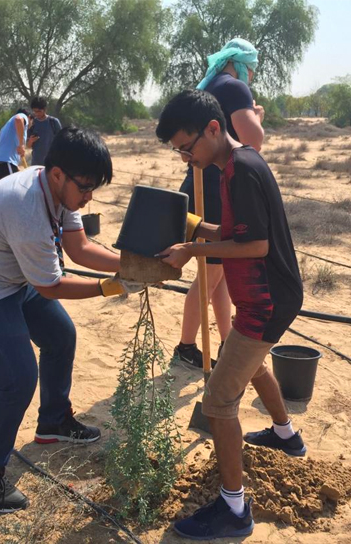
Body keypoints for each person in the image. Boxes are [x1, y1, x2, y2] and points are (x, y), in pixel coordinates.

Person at [0, 126, 143, 514]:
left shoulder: (61, 193)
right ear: (56, 174)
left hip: (13, 279)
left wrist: (135, 265)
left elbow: (79, 248)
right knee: (18, 378)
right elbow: (51, 285)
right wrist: (112, 287)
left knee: (60, 335)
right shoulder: (25, 205)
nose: (87, 197)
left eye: (92, 189)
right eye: (84, 188)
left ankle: (53, 421)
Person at [156, 90, 305, 540]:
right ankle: (286, 436)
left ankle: (234, 510)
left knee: (219, 402)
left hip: (266, 301)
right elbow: (237, 232)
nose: (184, 157)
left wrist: (191, 249)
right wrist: (191, 225)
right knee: (251, 363)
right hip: (264, 297)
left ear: (214, 129)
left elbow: (255, 245)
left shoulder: (240, 171)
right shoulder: (233, 165)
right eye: (178, 150)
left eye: (187, 146)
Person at [174, 38, 265, 369]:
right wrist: (256, 115)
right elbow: (252, 142)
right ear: (242, 65)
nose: (251, 76)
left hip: (202, 185)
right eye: (252, 70)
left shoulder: (210, 84)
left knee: (219, 273)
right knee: (209, 274)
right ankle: (185, 346)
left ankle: (226, 340)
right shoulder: (235, 88)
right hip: (216, 188)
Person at [0, 108, 33, 181]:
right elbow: (18, 119)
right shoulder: (22, 116)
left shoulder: (9, 126)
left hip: (1, 165)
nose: (31, 124)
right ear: (29, 117)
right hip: (5, 164)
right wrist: (21, 145)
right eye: (32, 121)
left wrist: (16, 168)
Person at [27, 96, 62, 166]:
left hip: (51, 163)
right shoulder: (32, 123)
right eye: (34, 111)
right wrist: (30, 141)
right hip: (35, 164)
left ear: (45, 109)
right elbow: (28, 146)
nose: (36, 114)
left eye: (39, 111)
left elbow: (61, 143)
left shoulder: (54, 122)